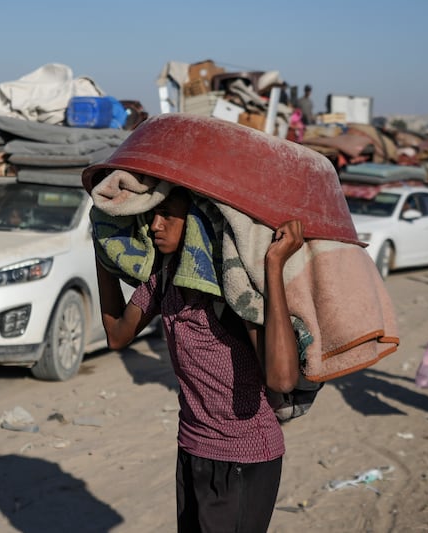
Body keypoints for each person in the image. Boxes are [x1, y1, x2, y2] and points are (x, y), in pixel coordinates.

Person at [94, 186, 304, 532]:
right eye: (152, 215)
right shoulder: (165, 279)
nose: (155, 225)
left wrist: (273, 265)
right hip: (192, 448)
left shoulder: (232, 289)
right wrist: (102, 247)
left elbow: (282, 379)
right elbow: (117, 334)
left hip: (242, 458)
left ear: (195, 220)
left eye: (168, 214)